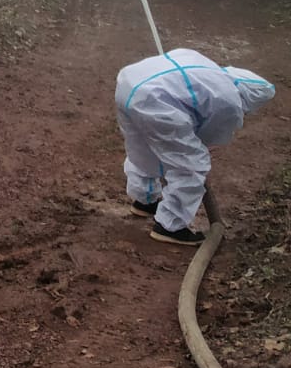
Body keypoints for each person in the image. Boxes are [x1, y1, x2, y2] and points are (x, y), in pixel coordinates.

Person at [115, 48, 275, 246]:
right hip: (157, 101)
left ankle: (144, 201)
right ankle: (170, 227)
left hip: (129, 85)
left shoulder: (205, 67)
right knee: (191, 164)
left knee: (143, 149)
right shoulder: (229, 98)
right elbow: (208, 135)